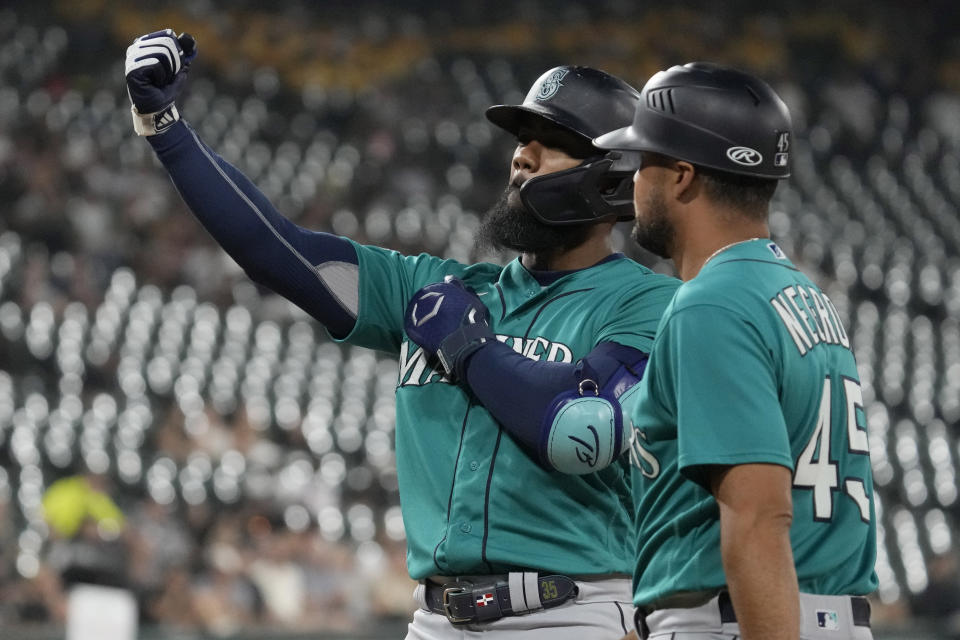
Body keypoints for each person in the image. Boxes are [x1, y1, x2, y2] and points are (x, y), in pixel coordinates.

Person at [123, 30, 680, 638]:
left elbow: (584, 433)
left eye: (555, 145)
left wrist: (469, 350)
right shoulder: (440, 287)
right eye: (523, 140)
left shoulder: (649, 303)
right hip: (436, 618)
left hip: (574, 614)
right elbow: (279, 253)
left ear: (611, 178)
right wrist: (167, 128)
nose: (524, 156)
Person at [587, 62, 878, 640]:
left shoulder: (710, 305)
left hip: (740, 621)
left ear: (682, 177)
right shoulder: (798, 293)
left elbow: (757, 518)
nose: (634, 180)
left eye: (645, 162)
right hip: (812, 615)